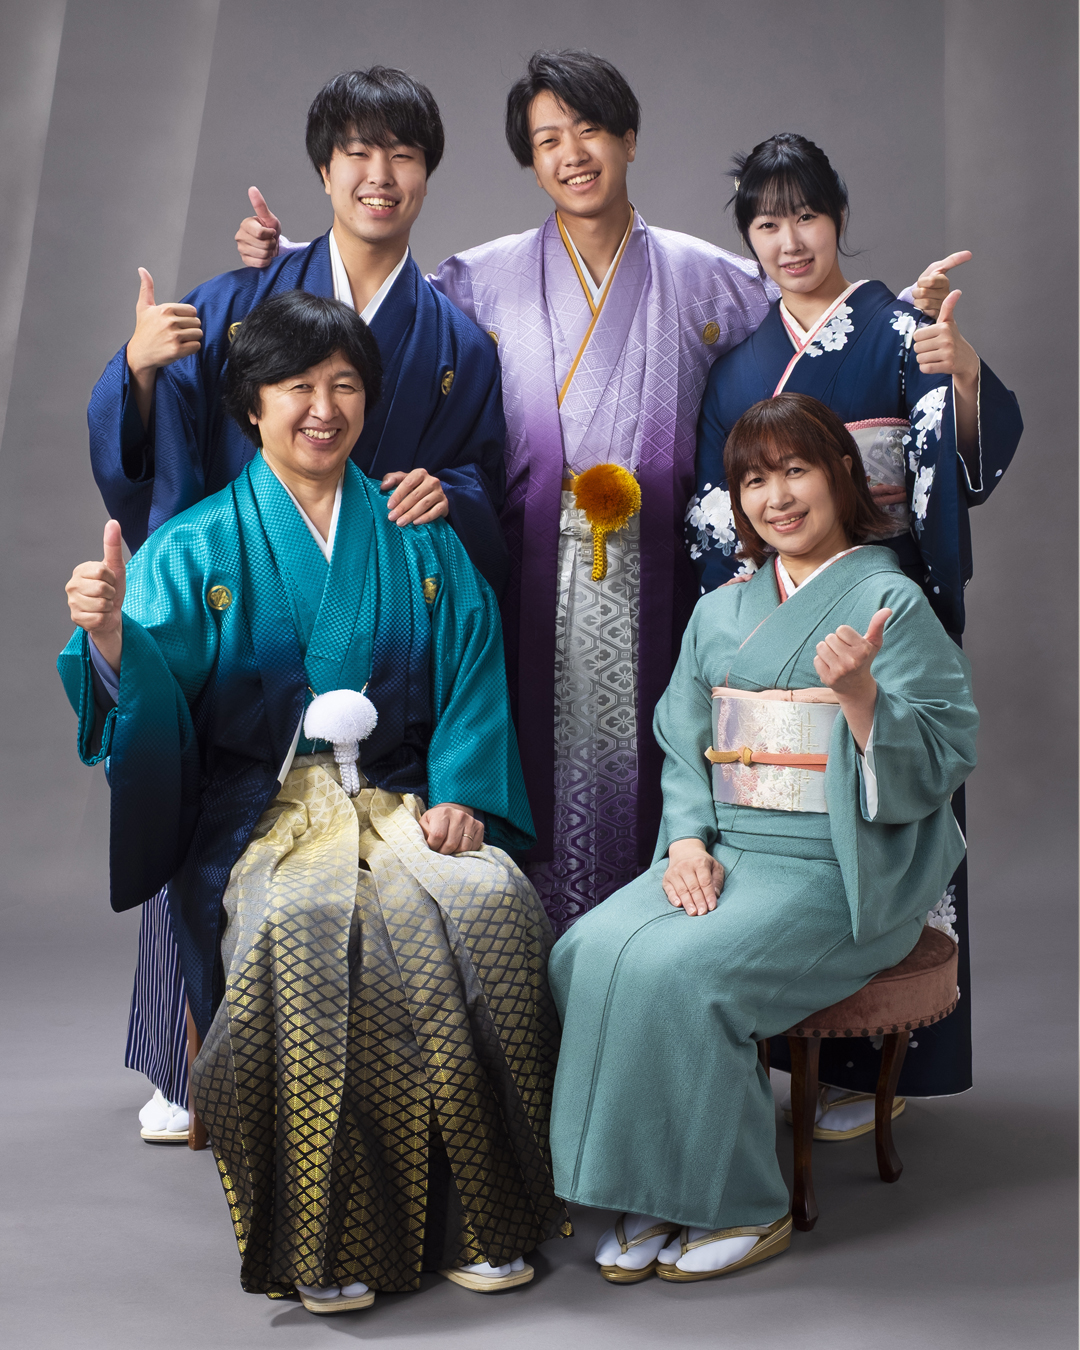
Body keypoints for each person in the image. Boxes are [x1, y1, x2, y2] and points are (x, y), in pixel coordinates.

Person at [236, 52, 958, 936]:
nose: (572, 154)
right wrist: (289, 268)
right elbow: (365, 324)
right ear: (530, 159)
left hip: (666, 582)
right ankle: (536, 985)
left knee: (666, 772)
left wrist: (900, 328)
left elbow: (807, 344)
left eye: (589, 131)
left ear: (629, 138)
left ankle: (651, 964)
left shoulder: (710, 277)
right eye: (548, 140)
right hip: (525, 577)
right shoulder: (478, 277)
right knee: (531, 791)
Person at [62, 293, 568, 1311]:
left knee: (493, 907)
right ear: (253, 406)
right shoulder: (197, 546)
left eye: (344, 386)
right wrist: (112, 638)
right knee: (302, 926)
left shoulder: (418, 535)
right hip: (261, 812)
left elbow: (472, 666)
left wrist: (464, 791)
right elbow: (151, 698)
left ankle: (484, 1212)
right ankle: (326, 1235)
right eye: (297, 386)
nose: (323, 409)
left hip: (406, 799)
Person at [92, 65, 511, 1142]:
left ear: (428, 174)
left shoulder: (457, 339)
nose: (380, 175)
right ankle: (192, 1058)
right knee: (203, 814)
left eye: (403, 154)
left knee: (429, 892)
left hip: (387, 616)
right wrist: (137, 374)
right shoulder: (239, 301)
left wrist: (448, 496)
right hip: (244, 609)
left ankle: (395, 1086)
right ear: (323, 169)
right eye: (357, 153)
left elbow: (482, 477)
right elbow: (172, 442)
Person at [547, 393, 977, 1284]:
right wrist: (686, 843)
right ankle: (650, 1186)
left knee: (686, 974)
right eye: (753, 480)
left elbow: (946, 749)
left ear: (841, 476)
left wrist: (861, 696)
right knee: (584, 949)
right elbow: (684, 743)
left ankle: (739, 1201)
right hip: (725, 850)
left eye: (795, 470)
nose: (775, 497)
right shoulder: (721, 611)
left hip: (842, 862)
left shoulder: (889, 599)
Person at [684, 133, 1023, 1112]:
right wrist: (741, 629)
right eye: (767, 224)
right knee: (782, 831)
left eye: (806, 216)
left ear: (838, 218)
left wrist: (959, 372)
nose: (789, 242)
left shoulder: (902, 329)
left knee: (883, 815)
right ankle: (788, 1049)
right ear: (748, 238)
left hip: (877, 616)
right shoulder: (737, 367)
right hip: (779, 623)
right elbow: (718, 513)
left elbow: (957, 473)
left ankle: (881, 1063)